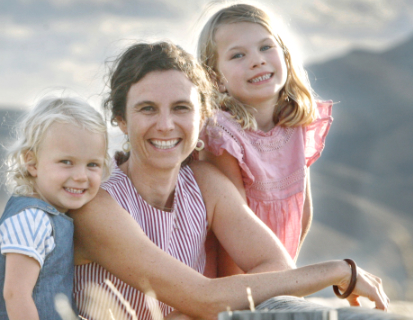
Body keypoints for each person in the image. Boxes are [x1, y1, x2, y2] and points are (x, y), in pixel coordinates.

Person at [70, 41, 387, 320]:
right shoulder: (96, 202)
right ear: (121, 120)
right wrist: (337, 271)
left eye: (181, 108)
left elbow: (275, 264)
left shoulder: (204, 183)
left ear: (202, 114)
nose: (165, 125)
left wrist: (191, 313)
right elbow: (204, 299)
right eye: (147, 109)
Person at [197, 3, 333, 276]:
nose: (257, 60)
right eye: (237, 55)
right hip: (231, 277)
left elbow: (301, 212)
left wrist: (283, 280)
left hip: (274, 272)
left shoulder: (295, 124)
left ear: (285, 55)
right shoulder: (221, 136)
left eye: (266, 47)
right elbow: (231, 234)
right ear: (216, 79)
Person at [0, 96, 110, 320]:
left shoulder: (51, 216)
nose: (81, 176)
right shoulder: (32, 219)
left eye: (92, 164)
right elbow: (16, 294)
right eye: (66, 162)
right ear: (32, 163)